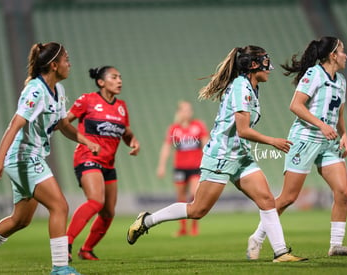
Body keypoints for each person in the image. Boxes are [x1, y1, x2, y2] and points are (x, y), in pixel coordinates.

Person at [127, 45, 307, 262]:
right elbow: (243, 130)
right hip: (222, 156)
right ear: (253, 64)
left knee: (267, 200)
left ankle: (281, 253)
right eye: (265, 61)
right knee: (197, 210)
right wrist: (273, 141)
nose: (269, 66)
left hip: (240, 156)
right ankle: (147, 221)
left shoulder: (251, 86)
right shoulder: (242, 87)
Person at [0, 42, 100, 275]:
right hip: (24, 158)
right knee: (60, 206)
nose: (69, 64)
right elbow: (15, 124)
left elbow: (64, 126)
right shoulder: (35, 90)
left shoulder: (59, 91)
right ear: (54, 65)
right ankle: (60, 268)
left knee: (20, 220)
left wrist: (87, 141)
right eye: (66, 60)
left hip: (30, 157)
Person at [247, 36, 347, 260]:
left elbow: (339, 113)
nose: (346, 55)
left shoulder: (342, 81)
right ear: (332, 55)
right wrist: (321, 125)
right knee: (288, 197)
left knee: (343, 191)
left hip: (328, 142)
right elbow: (295, 106)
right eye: (343, 51)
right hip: (305, 140)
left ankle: (336, 244)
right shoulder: (314, 74)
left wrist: (344, 133)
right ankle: (257, 238)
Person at [66, 66, 140, 261]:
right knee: (96, 201)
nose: (119, 81)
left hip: (108, 164)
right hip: (87, 157)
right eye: (114, 77)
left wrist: (133, 142)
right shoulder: (87, 100)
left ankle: (86, 249)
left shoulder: (121, 106)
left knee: (108, 212)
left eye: (120, 77)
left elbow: (126, 132)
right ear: (101, 82)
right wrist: (87, 142)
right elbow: (63, 122)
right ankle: (65, 243)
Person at [156, 101, 209, 237]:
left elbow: (206, 144)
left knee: (194, 193)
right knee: (181, 197)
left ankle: (194, 226)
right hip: (180, 168)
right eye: (184, 110)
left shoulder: (198, 126)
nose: (187, 113)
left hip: (196, 167)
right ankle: (183, 227)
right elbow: (167, 147)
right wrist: (161, 166)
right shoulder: (174, 129)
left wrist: (208, 162)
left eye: (189, 110)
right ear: (179, 113)